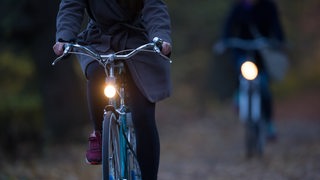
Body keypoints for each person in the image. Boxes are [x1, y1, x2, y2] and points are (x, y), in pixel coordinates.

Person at [53, 0, 172, 179]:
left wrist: (161, 37)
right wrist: (64, 38)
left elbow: (154, 7)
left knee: (143, 115)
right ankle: (99, 134)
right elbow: (71, 6)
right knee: (96, 72)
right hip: (98, 38)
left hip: (135, 37)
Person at [216, 0, 286, 140]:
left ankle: (269, 123)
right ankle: (238, 94)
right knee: (241, 69)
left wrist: (279, 41)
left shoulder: (268, 6)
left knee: (264, 87)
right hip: (242, 49)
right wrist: (224, 41)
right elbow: (229, 25)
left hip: (262, 54)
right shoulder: (239, 7)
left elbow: (276, 26)